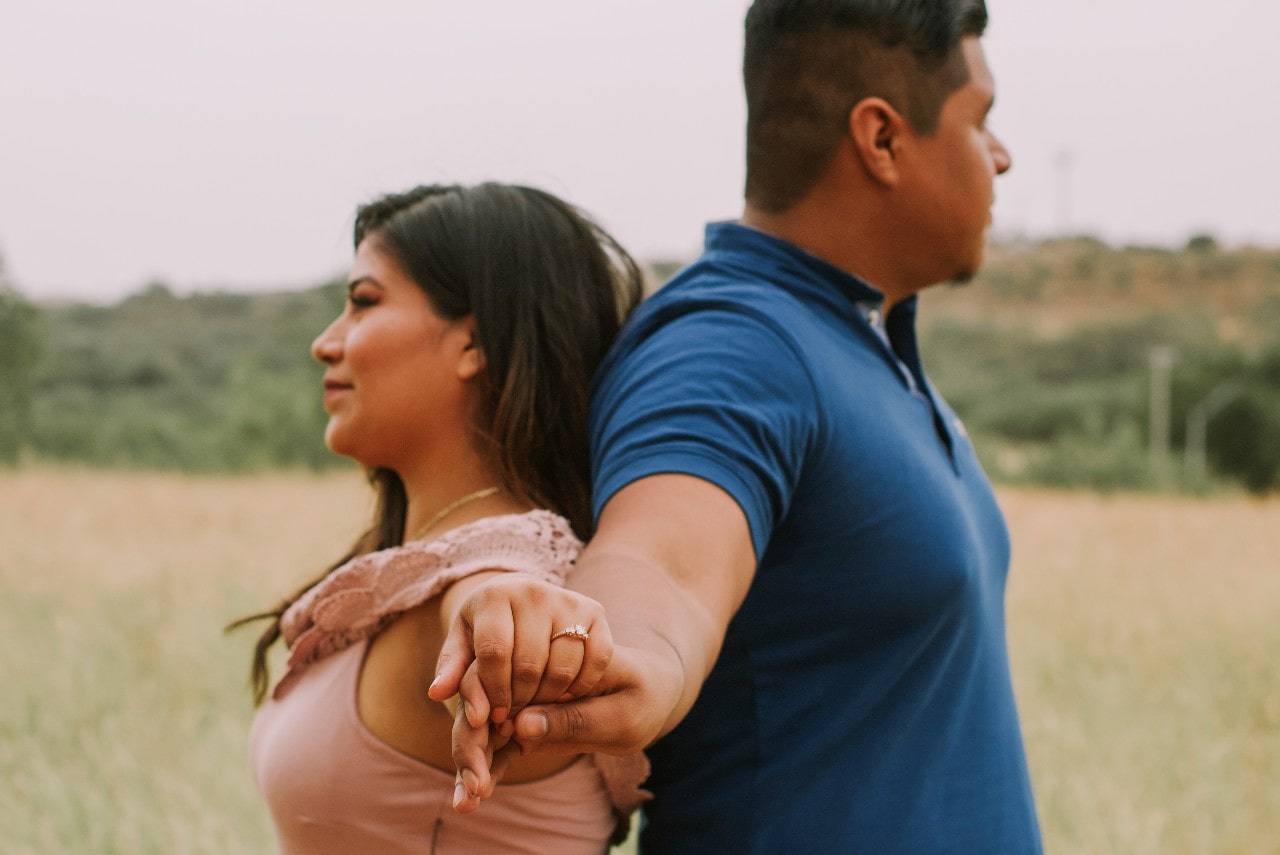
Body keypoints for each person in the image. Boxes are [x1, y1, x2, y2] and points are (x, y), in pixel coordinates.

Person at [431, 1, 1044, 852]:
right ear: (883, 139)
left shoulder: (863, 341)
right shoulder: (730, 343)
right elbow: (661, 562)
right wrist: (625, 654)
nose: (1002, 157)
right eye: (981, 121)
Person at [235, 182, 648, 854]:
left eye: (364, 302)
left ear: (473, 343)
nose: (325, 342)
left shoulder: (506, 566)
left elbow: (496, 588)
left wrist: (501, 609)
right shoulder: (422, 565)